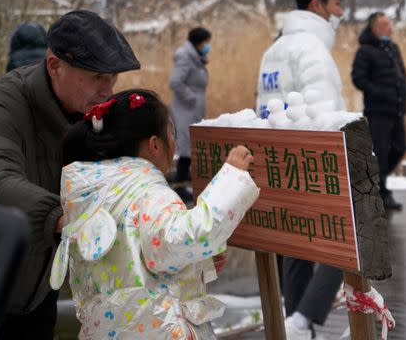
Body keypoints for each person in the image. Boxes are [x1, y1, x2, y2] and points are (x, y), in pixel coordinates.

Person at [51, 89, 260, 340]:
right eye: (171, 132)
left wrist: (197, 263)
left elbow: (134, 258)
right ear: (154, 144)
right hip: (157, 329)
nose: (175, 142)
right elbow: (185, 237)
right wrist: (232, 178)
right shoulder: (149, 193)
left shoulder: (96, 196)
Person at [0, 10, 141, 340]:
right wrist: (64, 218)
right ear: (55, 65)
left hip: (41, 292)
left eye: (113, 77)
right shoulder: (0, 106)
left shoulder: (94, 114)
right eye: (97, 77)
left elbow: (128, 182)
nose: (108, 89)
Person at [256, 0, 348, 339]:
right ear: (317, 5)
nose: (342, 13)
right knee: (347, 238)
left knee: (294, 244)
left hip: (278, 160)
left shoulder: (274, 49)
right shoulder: (312, 50)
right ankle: (305, 319)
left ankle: (297, 322)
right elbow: (325, 114)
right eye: (338, 3)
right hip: (313, 160)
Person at [351, 12, 406, 210]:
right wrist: (380, 92)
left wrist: (403, 99)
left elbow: (401, 76)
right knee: (381, 153)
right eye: (385, 25)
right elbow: (358, 78)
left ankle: (374, 182)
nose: (390, 28)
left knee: (400, 147)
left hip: (396, 109)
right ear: (374, 28)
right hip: (378, 111)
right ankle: (381, 193)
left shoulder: (392, 48)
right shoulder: (365, 51)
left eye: (390, 24)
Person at [170, 27, 211, 202]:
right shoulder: (186, 57)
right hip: (185, 108)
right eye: (206, 42)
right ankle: (179, 186)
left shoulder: (196, 58)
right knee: (186, 145)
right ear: (199, 42)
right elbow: (175, 82)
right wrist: (191, 98)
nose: (208, 46)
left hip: (193, 108)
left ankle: (187, 183)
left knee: (191, 144)